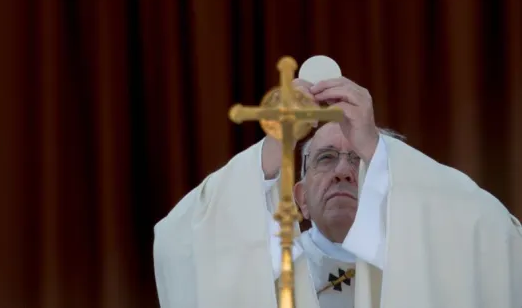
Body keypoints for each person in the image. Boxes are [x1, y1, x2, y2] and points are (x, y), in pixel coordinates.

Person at [152, 76, 522, 308]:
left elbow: (497, 237)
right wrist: (272, 147)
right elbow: (178, 242)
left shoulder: (430, 250)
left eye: (361, 161)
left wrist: (377, 147)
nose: (345, 172)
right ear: (299, 198)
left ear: (384, 182)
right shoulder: (264, 260)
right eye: (326, 158)